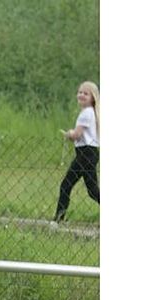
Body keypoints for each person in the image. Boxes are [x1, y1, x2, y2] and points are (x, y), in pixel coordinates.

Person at [54, 81, 100, 223]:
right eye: (80, 92)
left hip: (85, 154)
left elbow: (77, 135)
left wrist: (69, 134)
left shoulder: (86, 114)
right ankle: (59, 218)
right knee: (92, 190)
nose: (81, 95)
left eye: (85, 93)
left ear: (93, 97)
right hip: (89, 153)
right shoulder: (91, 112)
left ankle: (58, 219)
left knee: (66, 185)